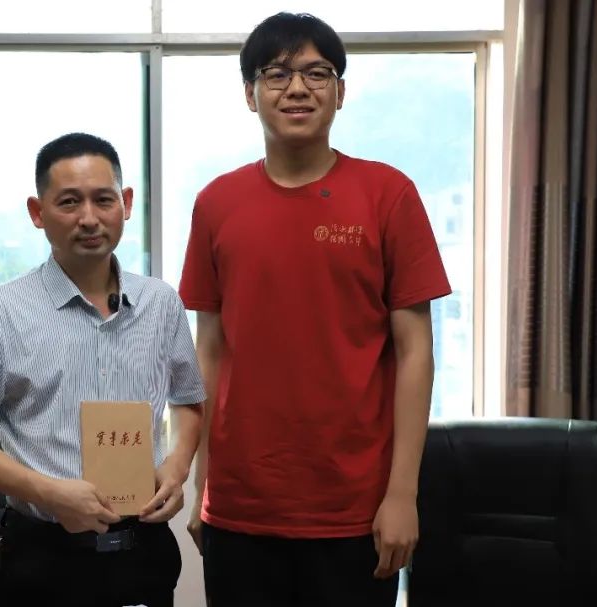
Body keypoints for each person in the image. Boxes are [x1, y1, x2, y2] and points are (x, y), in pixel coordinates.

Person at [179, 12, 453, 607]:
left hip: (355, 507)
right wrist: (204, 485)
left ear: (340, 91)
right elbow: (209, 352)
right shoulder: (217, 202)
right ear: (250, 94)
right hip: (241, 505)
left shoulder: (388, 194)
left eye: (316, 73)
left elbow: (415, 353)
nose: (297, 88)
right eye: (276, 74)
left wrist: (402, 494)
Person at [0, 132, 205, 607]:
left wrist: (177, 466)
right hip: (43, 555)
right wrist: (49, 492)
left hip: (144, 549)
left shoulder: (161, 303)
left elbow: (188, 400)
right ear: (37, 212)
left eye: (103, 200)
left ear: (125, 203)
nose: (89, 218)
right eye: (69, 202)